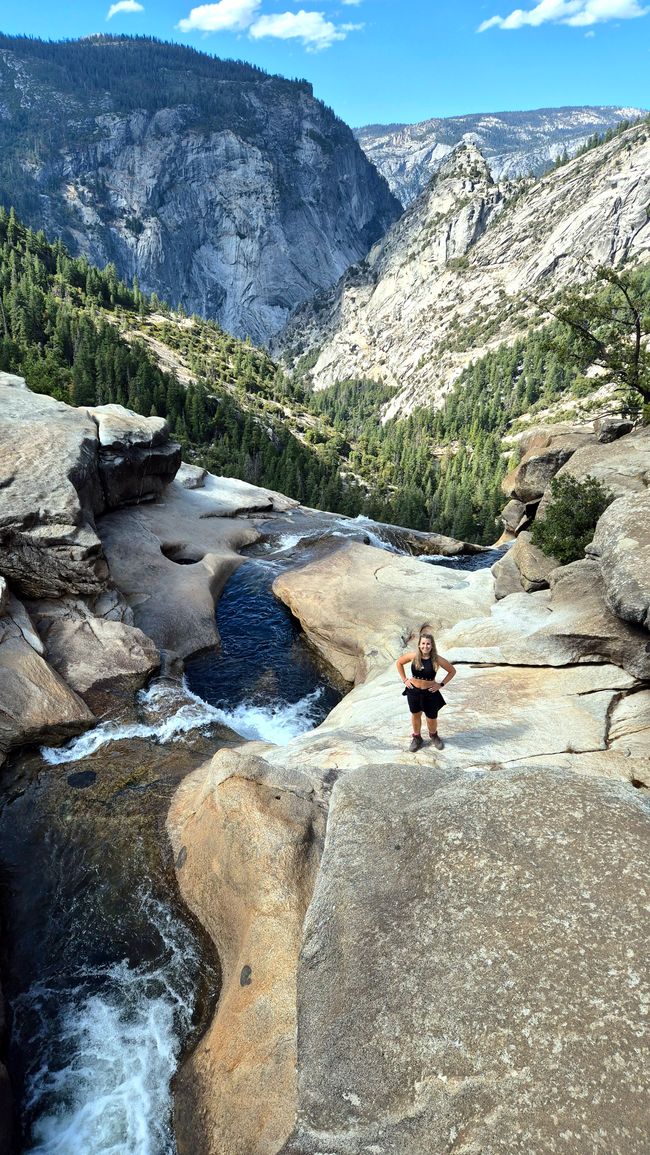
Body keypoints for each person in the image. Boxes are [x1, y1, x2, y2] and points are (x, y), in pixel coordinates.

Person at [396, 626, 456, 752]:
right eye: (423, 643)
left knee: (431, 718)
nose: (425, 646)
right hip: (414, 692)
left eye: (428, 644)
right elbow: (399, 663)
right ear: (419, 645)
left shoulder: (437, 659)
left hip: (430, 693)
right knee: (415, 715)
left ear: (432, 645)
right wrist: (405, 679)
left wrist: (441, 684)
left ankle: (433, 735)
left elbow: (452, 671)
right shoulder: (413, 656)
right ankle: (417, 737)